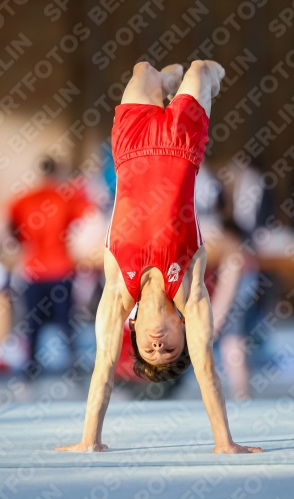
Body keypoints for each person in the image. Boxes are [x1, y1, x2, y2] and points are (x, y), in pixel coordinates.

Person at [55, 60, 264, 454]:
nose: (157, 342)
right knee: (201, 69)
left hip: (130, 149)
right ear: (182, 331)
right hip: (181, 147)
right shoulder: (190, 293)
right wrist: (224, 443)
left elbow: (103, 372)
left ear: (131, 332)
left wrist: (89, 441)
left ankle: (165, 82)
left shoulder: (118, 295)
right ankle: (208, 81)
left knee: (143, 71)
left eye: (149, 348)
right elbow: (205, 369)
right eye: (168, 347)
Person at [7, 157, 93, 372]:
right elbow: (90, 218)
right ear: (58, 172)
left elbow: (8, 223)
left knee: (32, 321)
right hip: (61, 269)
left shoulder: (25, 198)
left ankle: (31, 367)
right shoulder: (68, 197)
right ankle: (73, 366)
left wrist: (19, 243)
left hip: (33, 270)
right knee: (66, 320)